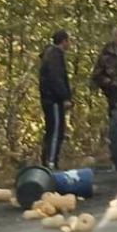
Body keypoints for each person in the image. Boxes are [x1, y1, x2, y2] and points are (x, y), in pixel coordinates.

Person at [39, 29, 72, 170]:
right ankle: (50, 163)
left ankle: (49, 161)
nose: (69, 43)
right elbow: (56, 78)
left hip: (50, 98)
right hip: (53, 100)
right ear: (63, 41)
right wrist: (64, 97)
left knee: (53, 130)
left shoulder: (52, 55)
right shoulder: (54, 56)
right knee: (55, 131)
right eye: (68, 40)